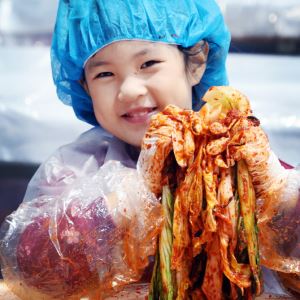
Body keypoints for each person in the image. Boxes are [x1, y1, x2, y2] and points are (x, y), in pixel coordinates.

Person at [0, 0, 299, 299]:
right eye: (104, 74)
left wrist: (279, 192)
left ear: (196, 62)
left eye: (148, 64)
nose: (129, 89)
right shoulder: (75, 169)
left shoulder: (239, 155)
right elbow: (32, 274)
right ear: (84, 86)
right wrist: (130, 199)